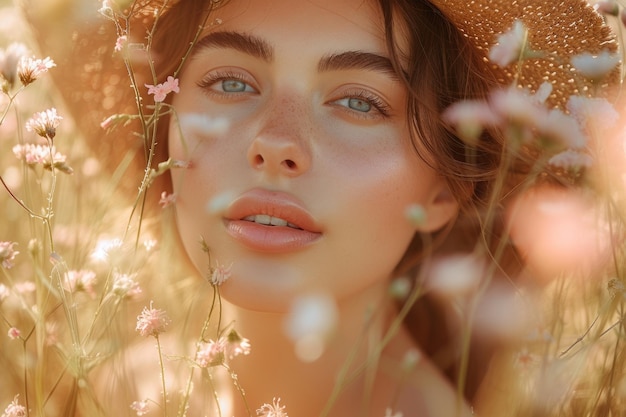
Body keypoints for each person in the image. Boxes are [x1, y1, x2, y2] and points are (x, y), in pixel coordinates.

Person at [13, 0, 622, 416]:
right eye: (230, 82)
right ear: (163, 128)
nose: (276, 143)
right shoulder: (118, 387)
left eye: (358, 102)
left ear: (447, 187)